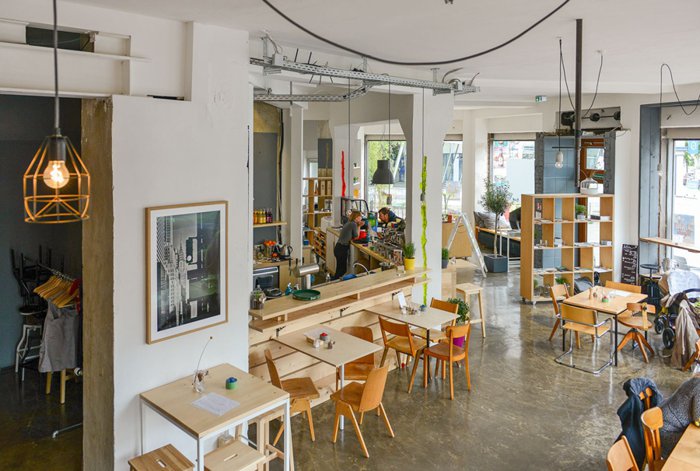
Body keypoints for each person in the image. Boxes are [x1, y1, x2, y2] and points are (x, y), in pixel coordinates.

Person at [659, 374, 700, 458]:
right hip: (666, 432)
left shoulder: (697, 379)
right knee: (695, 449)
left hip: (670, 425)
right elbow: (698, 419)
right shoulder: (698, 387)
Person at [333, 210, 364, 279]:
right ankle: (334, 282)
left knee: (339, 269)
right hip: (342, 249)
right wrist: (359, 226)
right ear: (356, 217)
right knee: (342, 270)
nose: (361, 218)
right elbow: (356, 237)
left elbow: (351, 235)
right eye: (360, 217)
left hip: (338, 247)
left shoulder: (349, 223)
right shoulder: (353, 224)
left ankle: (334, 281)